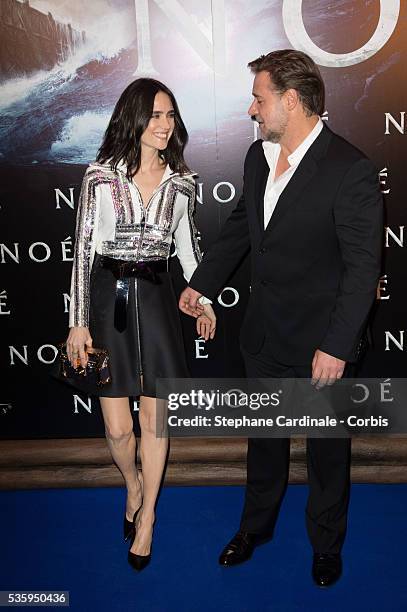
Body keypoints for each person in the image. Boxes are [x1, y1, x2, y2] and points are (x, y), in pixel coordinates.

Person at [179, 50, 383, 586]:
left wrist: (338, 346)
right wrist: (201, 284)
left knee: (326, 454)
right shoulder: (256, 158)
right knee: (264, 443)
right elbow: (241, 233)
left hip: (322, 346)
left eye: (259, 98)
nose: (251, 109)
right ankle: (255, 528)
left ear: (291, 102)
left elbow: (364, 270)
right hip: (263, 334)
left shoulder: (350, 169)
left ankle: (326, 544)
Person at [66, 78, 216, 571]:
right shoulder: (98, 179)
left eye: (170, 115)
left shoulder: (181, 183)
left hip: (155, 300)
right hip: (109, 302)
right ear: (133, 117)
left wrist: (204, 300)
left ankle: (148, 515)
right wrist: (77, 324)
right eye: (155, 115)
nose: (165, 125)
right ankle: (131, 485)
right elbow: (83, 255)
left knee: (154, 419)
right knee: (116, 427)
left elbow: (191, 254)